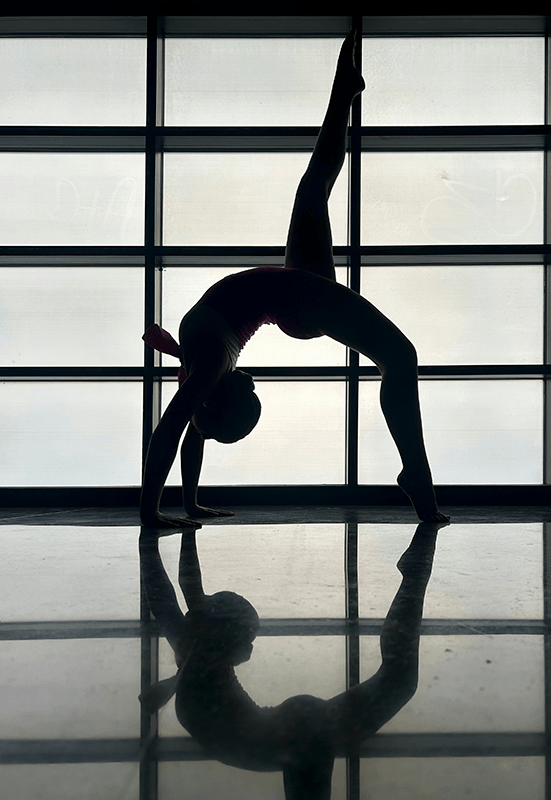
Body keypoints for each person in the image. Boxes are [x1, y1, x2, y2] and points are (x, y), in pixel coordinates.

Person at [140, 31, 449, 528]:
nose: (254, 384)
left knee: (314, 186)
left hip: (294, 296)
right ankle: (418, 477)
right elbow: (193, 424)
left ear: (222, 395)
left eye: (249, 394)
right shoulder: (205, 368)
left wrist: (159, 509)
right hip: (295, 301)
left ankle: (344, 93)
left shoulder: (207, 367)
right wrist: (181, 501)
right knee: (399, 356)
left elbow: (181, 427)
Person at [138, 521, 443, 800]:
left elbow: (180, 593)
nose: (251, 648)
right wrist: (166, 536)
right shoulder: (196, 653)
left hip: (292, 732)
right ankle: (414, 579)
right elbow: (181, 591)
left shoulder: (191, 649)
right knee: (398, 680)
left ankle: (414, 579)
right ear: (224, 634)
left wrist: (172, 534)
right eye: (248, 637)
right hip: (297, 731)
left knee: (398, 680)